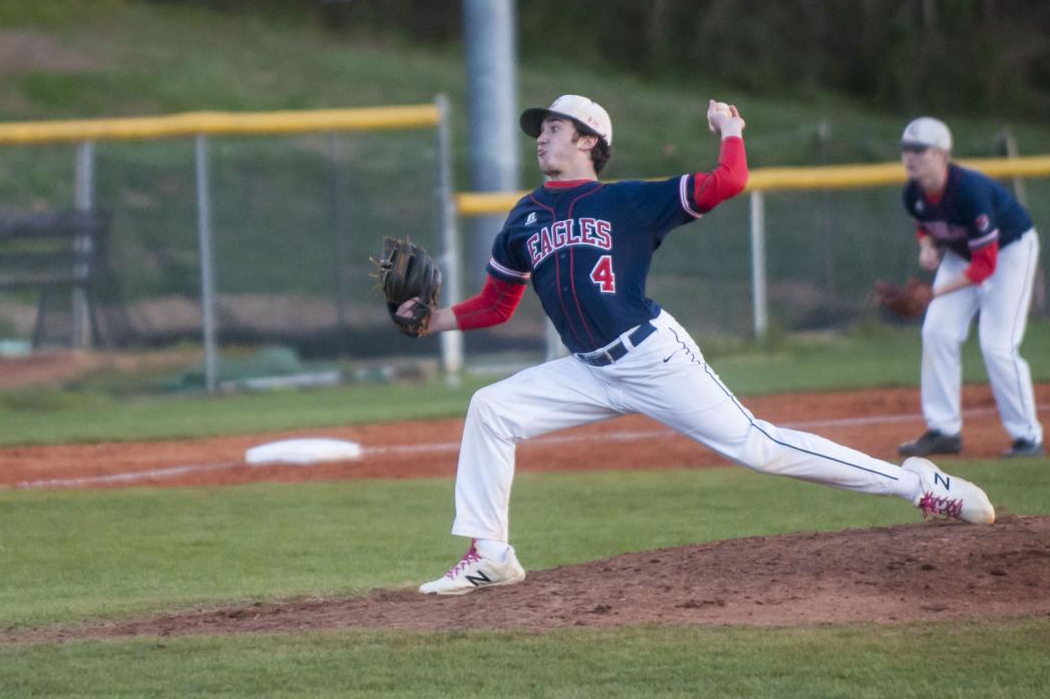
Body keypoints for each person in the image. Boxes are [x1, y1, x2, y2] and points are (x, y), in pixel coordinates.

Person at [397, 95, 995, 597]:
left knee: (758, 447)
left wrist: (730, 131)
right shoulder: (523, 217)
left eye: (553, 128)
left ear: (588, 141)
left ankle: (923, 488)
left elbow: (729, 180)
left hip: (650, 355)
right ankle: (491, 555)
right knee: (491, 408)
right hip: (585, 369)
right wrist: (431, 322)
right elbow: (497, 305)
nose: (541, 138)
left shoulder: (628, 199)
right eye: (542, 130)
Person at [893, 117, 1043, 459]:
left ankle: (1029, 437)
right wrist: (927, 246)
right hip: (963, 254)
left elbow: (985, 266)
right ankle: (944, 431)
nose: (910, 156)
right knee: (937, 330)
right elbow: (925, 226)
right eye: (906, 149)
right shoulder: (912, 192)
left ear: (943, 154)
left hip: (1009, 251)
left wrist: (933, 293)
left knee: (997, 344)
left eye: (920, 150)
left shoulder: (968, 191)